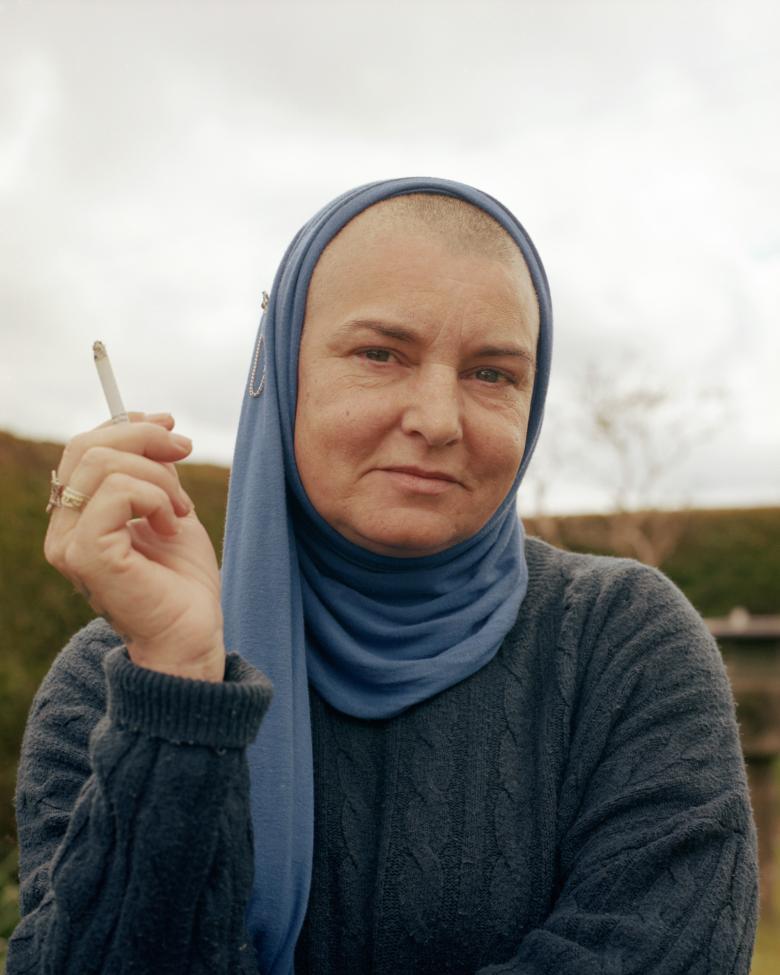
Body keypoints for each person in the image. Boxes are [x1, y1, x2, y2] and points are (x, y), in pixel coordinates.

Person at [8, 177, 758, 975]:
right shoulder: (113, 681)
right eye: (380, 353)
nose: (438, 419)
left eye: (493, 373)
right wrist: (180, 687)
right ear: (285, 372)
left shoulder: (622, 644)